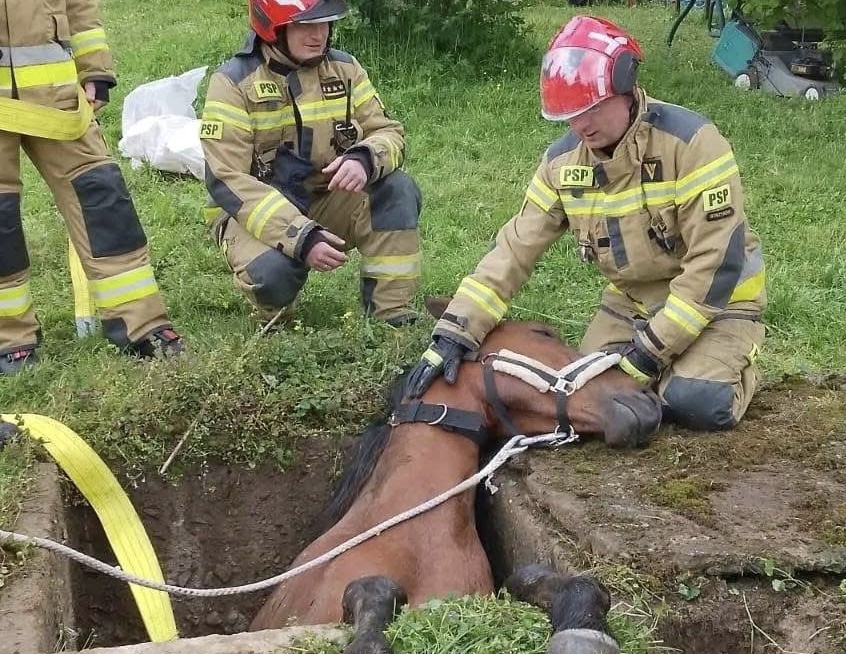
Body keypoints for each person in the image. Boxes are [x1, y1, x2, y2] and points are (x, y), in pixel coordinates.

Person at [407, 15, 766, 431]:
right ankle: (675, 367)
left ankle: (736, 360)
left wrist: (649, 354)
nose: (581, 126)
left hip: (720, 304)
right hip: (633, 306)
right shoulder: (562, 164)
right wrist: (455, 330)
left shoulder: (692, 144)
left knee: (695, 402)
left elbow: (714, 264)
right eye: (571, 113)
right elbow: (514, 249)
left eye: (592, 108)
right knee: (588, 397)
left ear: (627, 89)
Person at [200, 0, 422, 328]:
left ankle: (390, 315)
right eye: (305, 25)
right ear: (273, 29)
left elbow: (388, 132)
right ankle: (275, 320)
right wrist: (301, 237)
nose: (319, 34)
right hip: (250, 213)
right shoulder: (232, 83)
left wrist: (364, 158)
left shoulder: (345, 69)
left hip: (326, 196)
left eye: (325, 23)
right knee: (271, 274)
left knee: (397, 189)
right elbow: (227, 179)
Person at [0, 0, 185, 376]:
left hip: (58, 96)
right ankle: (10, 339)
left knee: (103, 198)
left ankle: (141, 324)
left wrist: (95, 68)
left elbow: (79, 5)